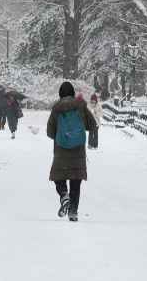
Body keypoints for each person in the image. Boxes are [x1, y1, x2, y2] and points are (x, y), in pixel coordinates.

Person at [47, 81, 97, 222]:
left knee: (58, 177)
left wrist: (62, 135)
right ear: (73, 93)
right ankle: (73, 212)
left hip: (61, 151)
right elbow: (92, 125)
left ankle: (64, 196)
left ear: (60, 93)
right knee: (75, 182)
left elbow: (50, 132)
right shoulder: (80, 106)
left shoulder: (56, 108)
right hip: (78, 152)